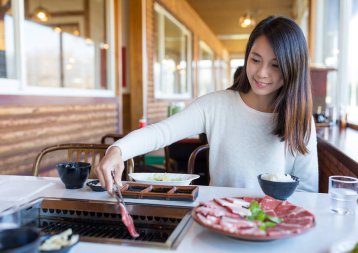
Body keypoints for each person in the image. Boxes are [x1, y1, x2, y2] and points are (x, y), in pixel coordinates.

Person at [95, 16, 318, 194]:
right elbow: (162, 132)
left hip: (274, 224)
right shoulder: (216, 105)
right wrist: (118, 150)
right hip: (220, 217)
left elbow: (307, 190)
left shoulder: (300, 119)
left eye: (275, 65)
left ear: (292, 68)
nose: (261, 73)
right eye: (255, 59)